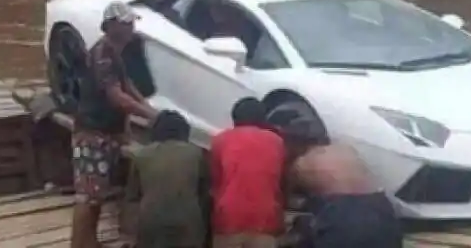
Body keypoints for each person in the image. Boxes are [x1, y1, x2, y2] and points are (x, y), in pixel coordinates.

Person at [71, 1, 158, 248]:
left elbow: (127, 85)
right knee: (88, 196)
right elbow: (116, 96)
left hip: (109, 131)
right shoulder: (102, 55)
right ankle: (79, 244)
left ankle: (90, 242)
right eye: (127, 23)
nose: (132, 28)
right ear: (112, 26)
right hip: (92, 131)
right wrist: (150, 117)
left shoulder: (115, 52)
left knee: (97, 195)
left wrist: (149, 109)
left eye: (132, 23)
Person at [282, 120, 402, 248]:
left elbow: (290, 199)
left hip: (344, 217)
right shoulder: (345, 149)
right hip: (381, 206)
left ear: (295, 144)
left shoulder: (303, 163)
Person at [126, 110, 208, 248]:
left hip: (151, 225)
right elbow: (204, 193)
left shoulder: (141, 154)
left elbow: (132, 196)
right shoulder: (196, 153)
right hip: (188, 226)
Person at [210, 98, 285, 248]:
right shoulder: (276, 141)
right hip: (265, 218)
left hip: (228, 218)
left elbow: (214, 181)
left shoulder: (220, 140)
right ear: (263, 120)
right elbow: (280, 181)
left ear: (234, 119)